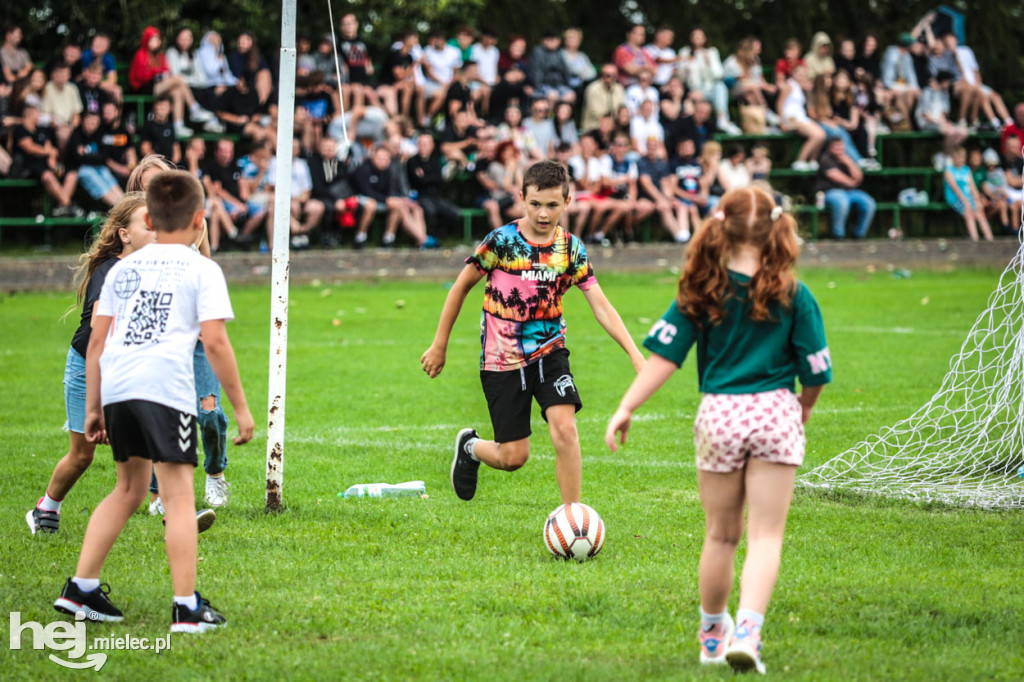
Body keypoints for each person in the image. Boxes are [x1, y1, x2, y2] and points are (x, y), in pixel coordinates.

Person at [604, 186, 832, 675]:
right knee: (766, 536)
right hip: (775, 412)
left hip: (719, 416)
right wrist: (803, 410)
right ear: (776, 228)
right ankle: (748, 632)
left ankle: (712, 637)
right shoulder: (795, 293)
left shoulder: (702, 287)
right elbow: (815, 373)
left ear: (719, 224)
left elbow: (664, 358)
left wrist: (626, 406)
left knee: (721, 536)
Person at [52, 170, 254, 630]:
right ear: (200, 220)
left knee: (128, 489)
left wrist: (94, 407)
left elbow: (97, 344)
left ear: (153, 218)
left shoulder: (123, 268)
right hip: (165, 391)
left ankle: (80, 589)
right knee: (180, 499)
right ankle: (186, 607)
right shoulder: (202, 268)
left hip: (119, 388)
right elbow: (216, 344)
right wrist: (240, 409)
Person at [421, 160, 645, 504]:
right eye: (536, 204)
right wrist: (440, 345)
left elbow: (601, 305)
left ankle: (572, 517)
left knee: (565, 430)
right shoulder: (501, 242)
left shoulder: (571, 249)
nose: (544, 213)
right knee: (514, 457)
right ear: (521, 197)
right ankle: (470, 447)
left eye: (553, 205)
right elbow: (460, 287)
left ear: (567, 203)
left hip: (550, 351)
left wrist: (635, 354)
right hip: (502, 358)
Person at [26, 194, 156, 535]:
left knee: (153, 438)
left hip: (128, 369)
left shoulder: (156, 269)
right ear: (125, 235)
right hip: (90, 367)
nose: (158, 229)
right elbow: (101, 337)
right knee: (82, 456)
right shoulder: (111, 271)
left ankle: (176, 514)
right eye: (149, 223)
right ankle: (46, 507)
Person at [128, 26, 217, 138]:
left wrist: (160, 75)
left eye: (158, 39)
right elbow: (142, 76)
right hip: (144, 88)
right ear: (147, 40)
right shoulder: (141, 55)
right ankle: (194, 108)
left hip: (158, 86)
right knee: (178, 79)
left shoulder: (160, 56)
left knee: (177, 91)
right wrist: (158, 74)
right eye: (153, 39)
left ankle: (178, 125)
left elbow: (165, 70)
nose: (156, 42)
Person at [13, 95, 82, 217]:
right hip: (29, 166)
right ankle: (69, 205)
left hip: (46, 165)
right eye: (36, 114)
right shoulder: (20, 130)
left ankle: (61, 207)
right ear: (29, 115)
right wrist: (48, 152)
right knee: (47, 176)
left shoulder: (41, 130)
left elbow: (51, 149)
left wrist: (53, 161)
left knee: (71, 174)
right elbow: (29, 148)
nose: (38, 117)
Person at [816, 135, 876, 239]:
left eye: (841, 147)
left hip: (850, 192)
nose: (839, 149)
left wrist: (849, 163)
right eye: (836, 147)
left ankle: (859, 234)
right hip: (830, 191)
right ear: (830, 147)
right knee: (841, 202)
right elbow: (835, 176)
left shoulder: (847, 159)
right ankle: (838, 234)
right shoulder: (825, 159)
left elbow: (859, 177)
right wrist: (853, 182)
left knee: (868, 203)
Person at [944, 146, 994, 242]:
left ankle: (990, 240)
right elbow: (956, 189)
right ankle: (975, 240)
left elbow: (973, 188)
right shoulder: (949, 171)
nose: (961, 160)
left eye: (963, 157)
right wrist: (966, 203)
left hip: (968, 197)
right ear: (954, 158)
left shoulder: (966, 170)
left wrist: (977, 201)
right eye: (959, 158)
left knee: (980, 213)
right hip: (955, 198)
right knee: (969, 214)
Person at [582, 65, 626, 133]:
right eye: (608, 75)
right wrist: (614, 119)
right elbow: (597, 113)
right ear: (602, 75)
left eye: (614, 76)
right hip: (594, 127)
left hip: (614, 127)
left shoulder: (619, 89)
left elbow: (621, 109)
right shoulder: (593, 89)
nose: (610, 78)